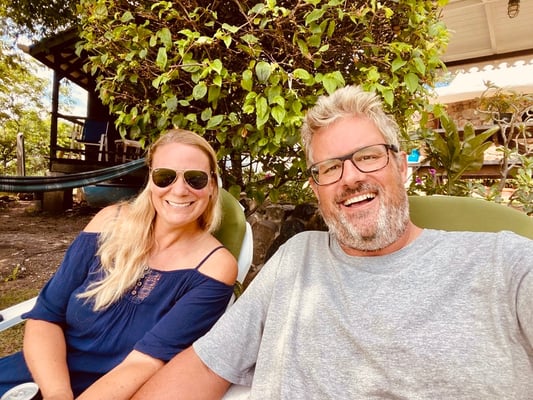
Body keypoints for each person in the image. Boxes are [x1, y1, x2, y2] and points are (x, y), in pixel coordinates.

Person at [132, 85, 533, 399]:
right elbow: (207, 365)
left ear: (400, 165)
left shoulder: (504, 262)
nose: (350, 177)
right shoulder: (295, 260)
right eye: (329, 167)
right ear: (316, 188)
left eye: (369, 156)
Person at [0, 128, 238, 399]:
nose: (180, 190)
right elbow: (46, 316)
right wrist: (57, 393)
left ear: (212, 185)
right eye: (165, 177)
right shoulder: (109, 222)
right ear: (151, 180)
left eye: (195, 179)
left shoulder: (214, 267)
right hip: (38, 374)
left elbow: (146, 361)